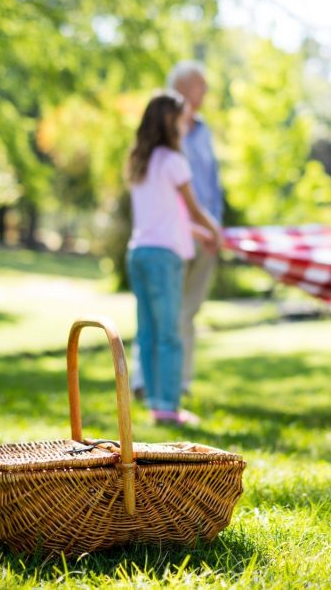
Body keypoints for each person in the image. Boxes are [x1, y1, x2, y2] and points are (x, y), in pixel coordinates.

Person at [126, 90, 221, 426]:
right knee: (170, 333)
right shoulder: (174, 161)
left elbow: (167, 215)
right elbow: (194, 209)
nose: (186, 125)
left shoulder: (140, 161)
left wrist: (200, 234)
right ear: (171, 122)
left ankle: (156, 403)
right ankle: (168, 408)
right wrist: (216, 230)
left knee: (149, 331)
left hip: (139, 253)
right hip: (165, 258)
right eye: (183, 118)